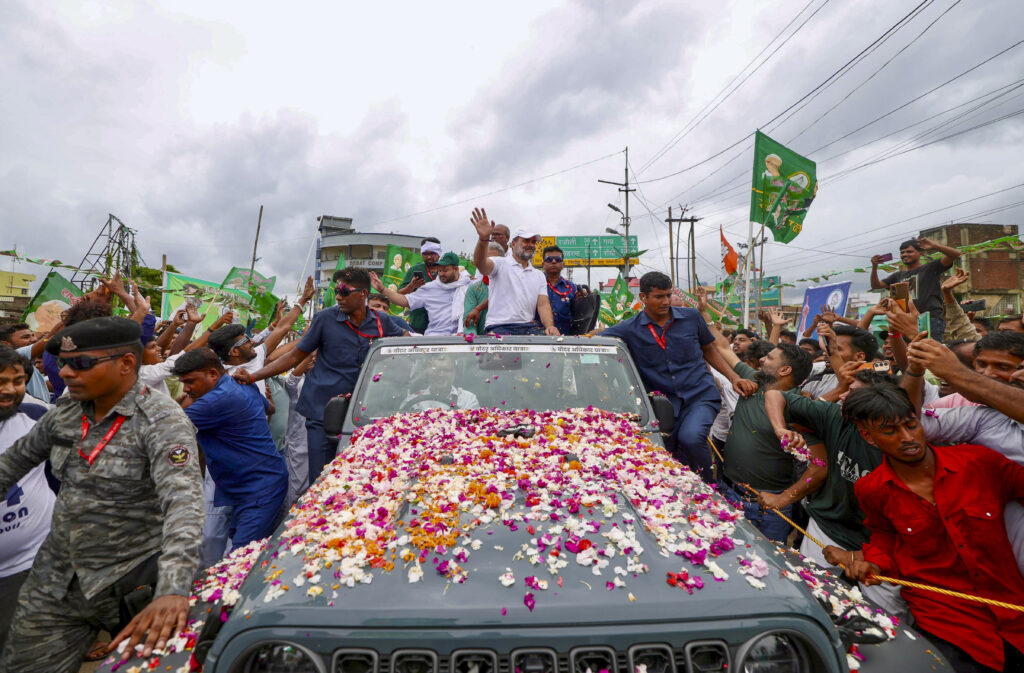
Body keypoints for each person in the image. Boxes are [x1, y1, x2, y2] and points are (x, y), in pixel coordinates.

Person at [0, 317, 204, 672]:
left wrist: (173, 588)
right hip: (58, 581)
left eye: (79, 363)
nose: (64, 373)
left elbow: (184, 503)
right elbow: (12, 464)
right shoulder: (64, 413)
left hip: (131, 584)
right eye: (62, 363)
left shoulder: (161, 420)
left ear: (126, 363)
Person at [842, 381, 1024, 672]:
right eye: (890, 431)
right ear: (869, 436)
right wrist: (874, 563)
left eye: (911, 425)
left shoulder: (979, 462)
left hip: (1012, 609)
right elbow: (884, 534)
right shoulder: (872, 489)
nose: (907, 437)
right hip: (946, 619)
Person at [232, 267, 405, 485]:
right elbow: (295, 355)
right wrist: (252, 377)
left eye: (344, 291)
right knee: (322, 479)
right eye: (336, 291)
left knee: (359, 478)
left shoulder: (382, 322)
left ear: (363, 294)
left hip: (362, 415)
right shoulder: (325, 319)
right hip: (322, 413)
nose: (339, 297)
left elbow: (406, 344)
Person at [602, 273, 757, 482]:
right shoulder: (628, 329)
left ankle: (710, 489)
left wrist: (733, 378)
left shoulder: (691, 317)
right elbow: (597, 339)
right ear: (643, 297)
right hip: (663, 405)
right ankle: (684, 492)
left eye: (668, 295)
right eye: (658, 296)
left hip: (700, 395)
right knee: (670, 453)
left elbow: (708, 349)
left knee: (691, 438)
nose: (665, 302)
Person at [174, 349, 288, 557]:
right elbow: (269, 408)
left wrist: (179, 402)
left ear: (213, 374)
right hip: (252, 485)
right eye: (183, 382)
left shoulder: (216, 401)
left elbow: (162, 429)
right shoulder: (241, 383)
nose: (186, 388)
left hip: (258, 490)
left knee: (241, 561)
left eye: (190, 381)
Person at [708, 328, 816, 542]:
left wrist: (784, 499)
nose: (762, 359)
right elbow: (721, 347)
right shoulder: (752, 380)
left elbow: (818, 470)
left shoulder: (802, 407)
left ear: (784, 370)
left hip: (768, 509)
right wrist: (701, 312)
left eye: (769, 357)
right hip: (730, 492)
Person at [0, 347, 54, 652]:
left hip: (34, 565)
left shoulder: (38, 419)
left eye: (17, 381)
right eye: (0, 381)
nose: (9, 390)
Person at [207, 276, 314, 394]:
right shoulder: (225, 382)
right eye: (245, 341)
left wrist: (303, 300)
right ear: (234, 352)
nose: (252, 341)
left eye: (248, 337)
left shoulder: (254, 357)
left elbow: (282, 328)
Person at [470, 208, 559, 335]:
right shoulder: (500, 263)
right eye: (526, 241)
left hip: (528, 328)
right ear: (513, 244)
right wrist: (483, 239)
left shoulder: (538, 275)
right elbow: (480, 263)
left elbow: (543, 304)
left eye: (533, 242)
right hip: (498, 327)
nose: (531, 245)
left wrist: (550, 326)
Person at [870, 237, 961, 341]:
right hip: (905, 321)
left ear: (921, 253)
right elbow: (876, 285)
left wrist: (935, 246)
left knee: (927, 352)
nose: (904, 254)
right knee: (908, 355)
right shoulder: (897, 276)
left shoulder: (930, 268)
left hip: (928, 319)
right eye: (902, 252)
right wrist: (874, 267)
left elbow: (956, 254)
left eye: (909, 251)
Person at [370, 252, 473, 336]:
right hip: (435, 338)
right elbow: (404, 300)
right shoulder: (430, 288)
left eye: (445, 270)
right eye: (440, 270)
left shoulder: (470, 285)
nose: (441, 274)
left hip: (462, 339)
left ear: (456, 269)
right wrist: (382, 289)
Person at [282, 352, 315, 506]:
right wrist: (309, 355)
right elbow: (290, 381)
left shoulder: (323, 380)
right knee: (296, 490)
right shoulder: (296, 382)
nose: (314, 360)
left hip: (316, 440)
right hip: (298, 444)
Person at [399, 237, 442, 334]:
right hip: (418, 324)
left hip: (441, 324)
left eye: (432, 253)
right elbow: (400, 293)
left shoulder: (446, 269)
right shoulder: (414, 269)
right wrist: (411, 286)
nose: (429, 257)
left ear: (439, 252)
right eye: (425, 254)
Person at [0, 322, 50, 405]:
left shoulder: (28, 363)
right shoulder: (17, 356)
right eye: (26, 337)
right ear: (6, 344)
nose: (34, 339)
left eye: (33, 335)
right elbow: (48, 340)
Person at [463, 242, 505, 335]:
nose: (490, 263)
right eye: (486, 260)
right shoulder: (474, 289)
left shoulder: (512, 285)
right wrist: (473, 340)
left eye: (495, 260)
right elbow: (469, 324)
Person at [538, 245, 580, 335]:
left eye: (557, 259)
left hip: (564, 339)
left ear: (563, 265)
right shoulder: (534, 284)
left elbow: (577, 316)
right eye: (549, 259)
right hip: (537, 337)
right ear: (543, 264)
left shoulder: (572, 288)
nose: (553, 261)